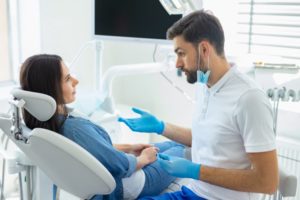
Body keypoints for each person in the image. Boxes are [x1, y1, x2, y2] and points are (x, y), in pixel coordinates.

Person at [118, 10, 279, 200]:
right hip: (193, 193)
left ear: (204, 49)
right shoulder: (206, 85)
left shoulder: (249, 99)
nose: (177, 64)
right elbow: (210, 139)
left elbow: (267, 182)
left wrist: (196, 171)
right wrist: (161, 126)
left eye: (181, 53)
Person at [19, 54, 185, 200]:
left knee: (171, 145)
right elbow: (118, 165)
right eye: (68, 79)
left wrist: (130, 147)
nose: (76, 81)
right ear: (50, 89)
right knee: (183, 147)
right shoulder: (74, 129)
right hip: (131, 184)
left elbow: (89, 152)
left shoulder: (47, 125)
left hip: (113, 180)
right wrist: (143, 159)